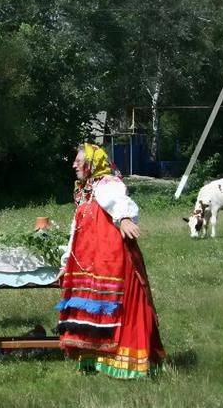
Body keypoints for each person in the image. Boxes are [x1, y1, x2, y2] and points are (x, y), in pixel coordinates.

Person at [57, 143, 165, 379]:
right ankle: (94, 359)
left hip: (111, 258)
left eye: (78, 160)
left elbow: (117, 202)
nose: (74, 164)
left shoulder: (108, 184)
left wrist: (124, 218)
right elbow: (76, 227)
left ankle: (124, 363)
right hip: (89, 259)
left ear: (92, 162)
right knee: (93, 306)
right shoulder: (87, 189)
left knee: (116, 306)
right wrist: (67, 261)